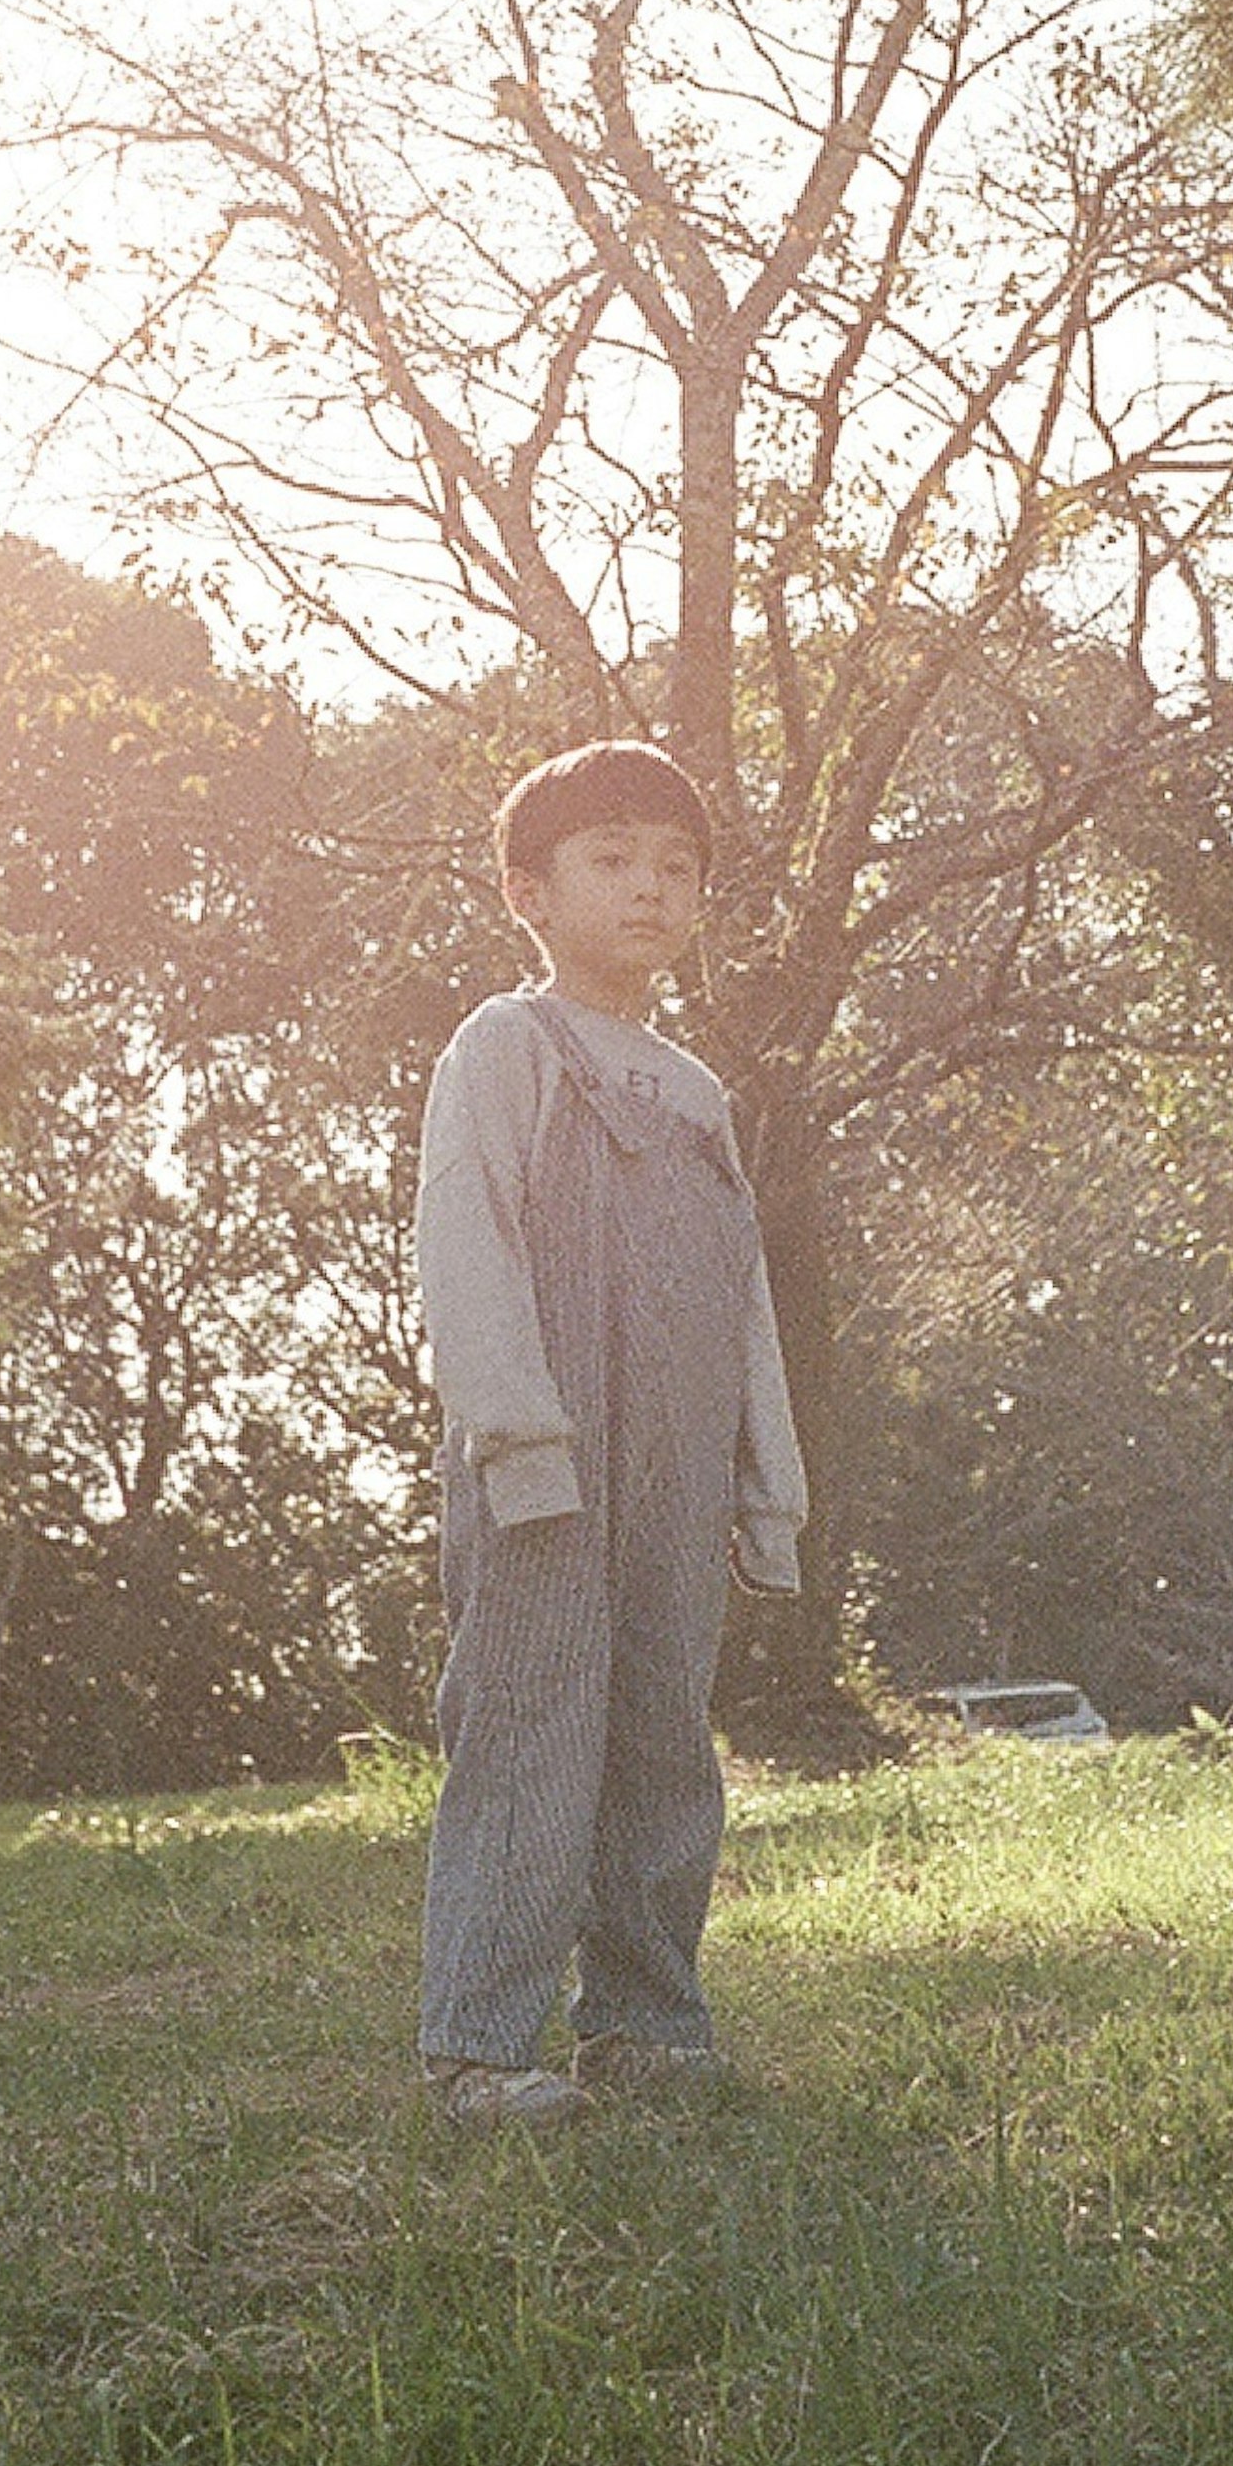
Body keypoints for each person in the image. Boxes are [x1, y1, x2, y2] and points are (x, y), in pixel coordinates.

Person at [409, 738, 806, 2125]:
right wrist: (517, 1440)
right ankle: (477, 2048)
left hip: (680, 1474)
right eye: (612, 860)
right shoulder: (504, 1049)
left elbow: (743, 1297)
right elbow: (466, 1242)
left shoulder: (698, 1097)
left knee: (660, 1738)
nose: (651, 890)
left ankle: (644, 2025)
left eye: (678, 867)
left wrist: (768, 1490)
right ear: (528, 889)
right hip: (550, 1466)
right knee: (529, 1725)